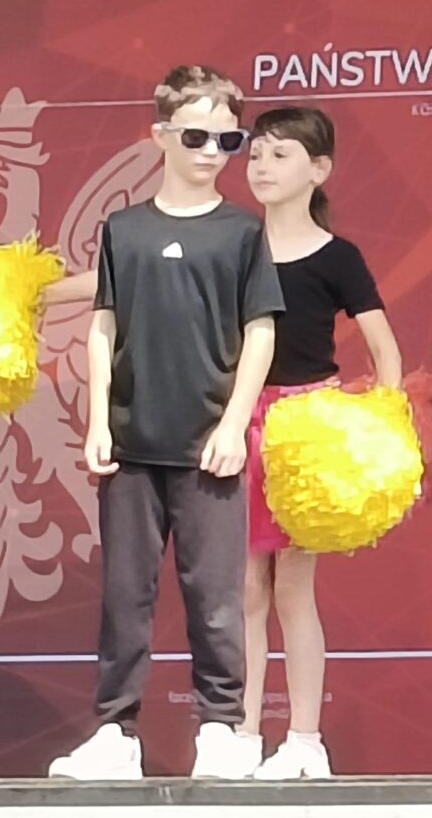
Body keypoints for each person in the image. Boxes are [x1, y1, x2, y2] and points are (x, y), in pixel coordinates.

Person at [50, 65, 283, 781]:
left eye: (228, 139)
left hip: (209, 445)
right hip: (131, 444)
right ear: (160, 136)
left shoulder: (242, 232)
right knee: (126, 597)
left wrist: (233, 425)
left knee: (216, 598)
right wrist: (98, 422)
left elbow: (261, 331)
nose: (213, 151)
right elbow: (102, 325)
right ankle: (115, 734)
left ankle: (221, 728)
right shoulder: (125, 229)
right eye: (197, 137)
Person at [235, 107, 403, 782]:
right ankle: (241, 733)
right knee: (245, 589)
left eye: (280, 155)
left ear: (319, 169)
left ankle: (304, 739)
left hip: (306, 432)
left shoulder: (338, 257)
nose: (262, 166)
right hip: (239, 423)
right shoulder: (234, 247)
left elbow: (385, 350)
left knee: (292, 590)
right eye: (256, 154)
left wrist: (383, 427)